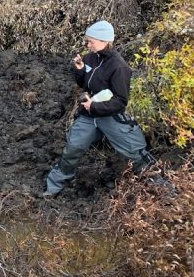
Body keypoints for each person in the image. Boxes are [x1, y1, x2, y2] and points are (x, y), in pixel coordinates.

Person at [43, 20, 152, 198]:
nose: (87, 44)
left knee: (135, 151)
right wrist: (79, 70)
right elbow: (83, 83)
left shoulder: (119, 66)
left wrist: (96, 106)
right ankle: (53, 187)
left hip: (111, 117)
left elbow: (120, 101)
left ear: (103, 41)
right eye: (87, 40)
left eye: (90, 41)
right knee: (73, 148)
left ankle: (159, 184)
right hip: (88, 115)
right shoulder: (89, 58)